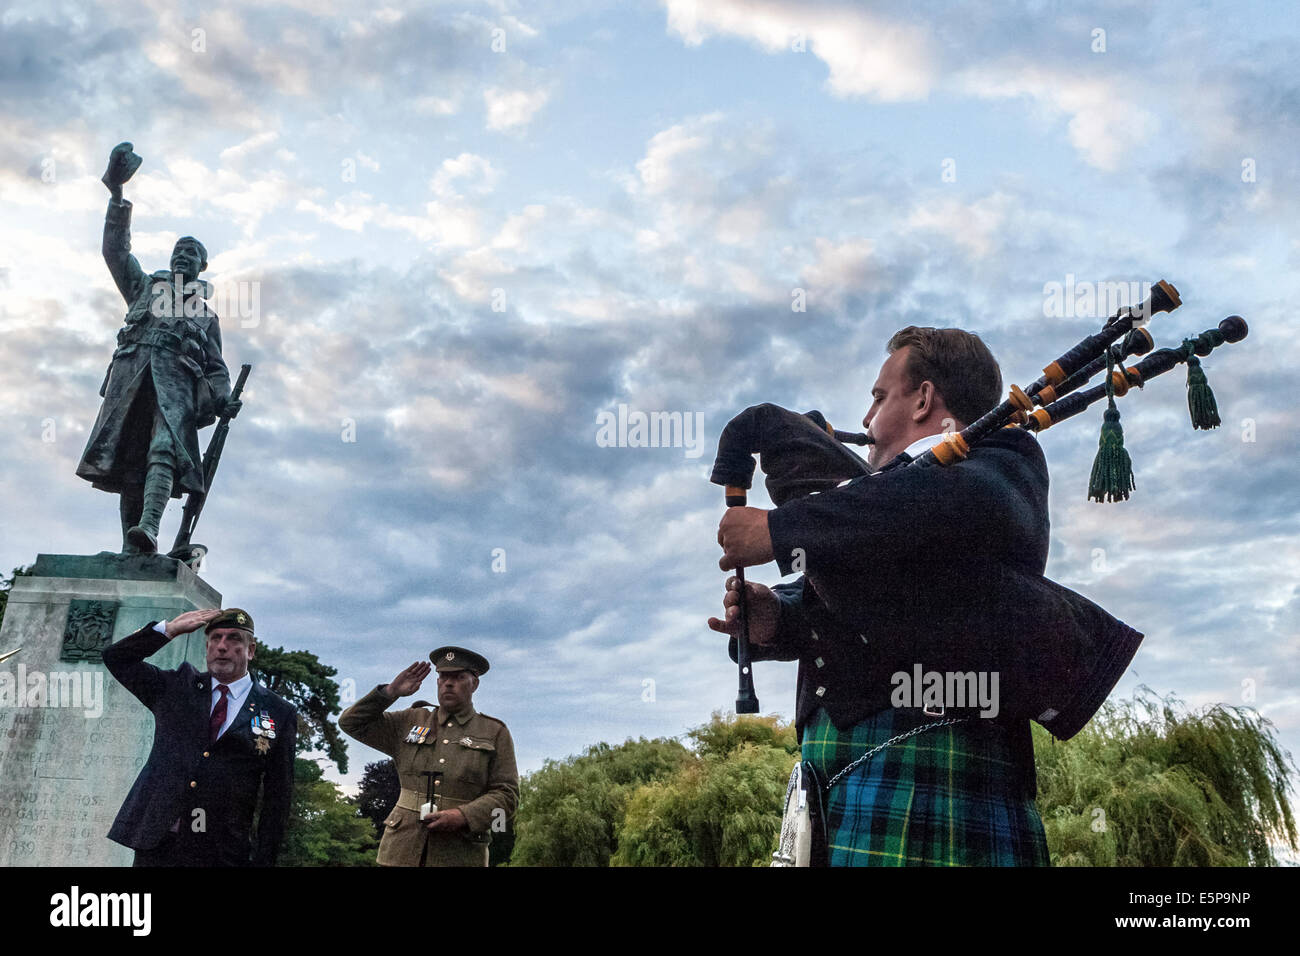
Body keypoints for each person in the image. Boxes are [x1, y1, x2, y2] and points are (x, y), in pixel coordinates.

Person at [711, 326, 1052, 866]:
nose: (866, 420)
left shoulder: (999, 464)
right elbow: (854, 600)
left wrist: (778, 528)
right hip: (843, 790)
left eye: (877, 397)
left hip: (938, 784)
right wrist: (775, 617)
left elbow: (920, 505)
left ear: (922, 399)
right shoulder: (874, 506)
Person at [76, 141, 241, 554]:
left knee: (164, 449)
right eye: (178, 251)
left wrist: (223, 400)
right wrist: (115, 194)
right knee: (130, 460)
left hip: (178, 390)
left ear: (202, 267)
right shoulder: (144, 287)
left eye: (192, 253)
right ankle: (134, 547)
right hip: (132, 380)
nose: (182, 256)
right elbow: (116, 252)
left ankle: (149, 527)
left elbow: (217, 368)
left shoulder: (205, 315)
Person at [103, 607, 297, 866]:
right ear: (206, 647)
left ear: (251, 650)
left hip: (222, 853)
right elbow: (117, 659)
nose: (222, 646)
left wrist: (263, 861)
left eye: (233, 639)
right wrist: (168, 631)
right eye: (215, 638)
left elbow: (277, 800)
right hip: (159, 847)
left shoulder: (277, 711)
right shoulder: (178, 687)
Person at [340, 646, 519, 867]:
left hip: (460, 854)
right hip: (400, 851)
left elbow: (507, 796)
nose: (448, 683)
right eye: (443, 676)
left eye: (458, 677)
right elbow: (350, 723)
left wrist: (463, 816)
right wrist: (390, 693)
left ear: (475, 683)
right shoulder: (410, 721)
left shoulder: (494, 732)